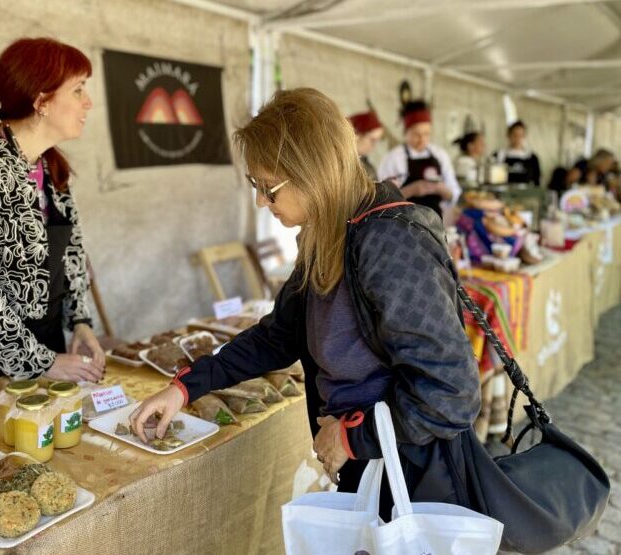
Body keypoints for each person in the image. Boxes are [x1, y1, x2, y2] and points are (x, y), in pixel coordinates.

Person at [131, 88, 480, 518]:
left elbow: (451, 392)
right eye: (255, 186)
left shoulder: (391, 242)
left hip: (411, 476)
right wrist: (185, 387)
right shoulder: (326, 233)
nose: (261, 201)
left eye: (268, 188)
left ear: (311, 171)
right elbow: (279, 336)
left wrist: (352, 437)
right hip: (369, 464)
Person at [0, 37, 106, 386]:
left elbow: (71, 252)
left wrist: (80, 322)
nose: (88, 102)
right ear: (42, 101)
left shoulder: (49, 166)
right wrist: (42, 361)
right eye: (78, 90)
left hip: (48, 342)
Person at [377, 100, 461, 219]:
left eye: (426, 134)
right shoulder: (392, 158)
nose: (422, 139)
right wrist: (412, 190)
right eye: (416, 134)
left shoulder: (440, 155)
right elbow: (382, 201)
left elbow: (454, 194)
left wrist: (440, 189)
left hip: (435, 222)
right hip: (402, 222)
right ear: (406, 132)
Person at [494, 120, 541, 186]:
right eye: (514, 135)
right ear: (508, 135)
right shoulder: (499, 155)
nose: (517, 138)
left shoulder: (532, 158)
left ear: (524, 136)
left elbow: (536, 181)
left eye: (520, 135)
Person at [348, 110, 384, 181]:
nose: (374, 146)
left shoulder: (366, 165)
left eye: (377, 141)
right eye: (372, 140)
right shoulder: (342, 161)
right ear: (357, 135)